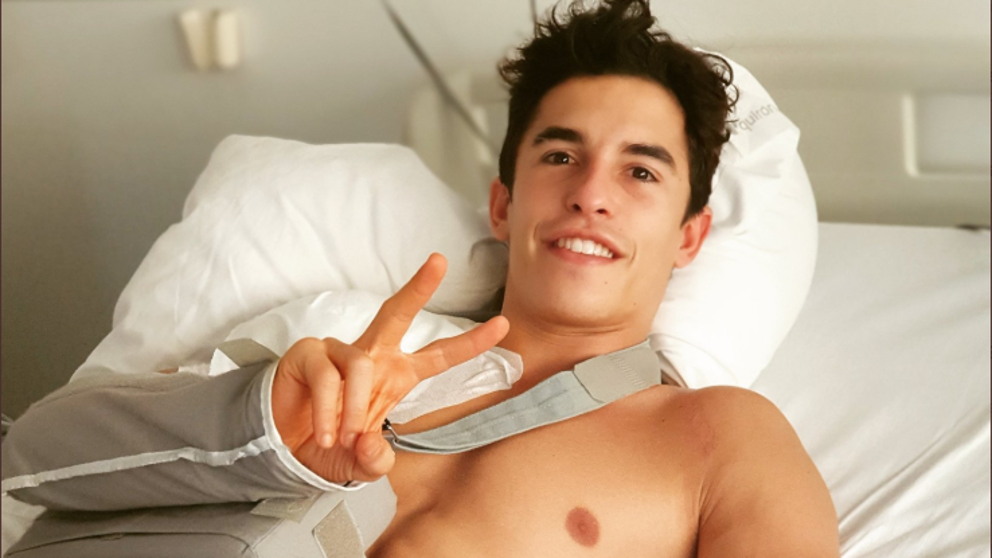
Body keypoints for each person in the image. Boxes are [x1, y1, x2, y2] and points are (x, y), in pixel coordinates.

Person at [3, 1, 839, 556]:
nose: (591, 193)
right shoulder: (340, 347)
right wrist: (264, 431)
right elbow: (33, 459)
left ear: (690, 237)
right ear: (504, 204)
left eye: (641, 172)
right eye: (561, 156)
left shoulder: (717, 438)